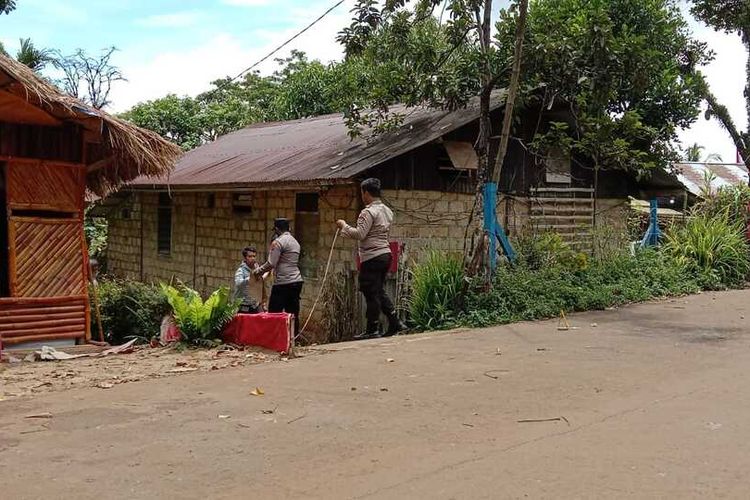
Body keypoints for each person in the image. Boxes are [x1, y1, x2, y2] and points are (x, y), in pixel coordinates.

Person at [337, 178, 407, 339]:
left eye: (362, 192)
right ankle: (395, 322)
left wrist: (344, 226)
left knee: (370, 291)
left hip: (372, 256)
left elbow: (360, 234)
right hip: (385, 254)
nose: (362, 196)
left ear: (366, 193)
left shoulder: (368, 212)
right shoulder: (387, 211)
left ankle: (372, 329)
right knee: (379, 290)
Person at [255, 218, 303, 338]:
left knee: (274, 312)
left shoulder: (278, 242)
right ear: (289, 228)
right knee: (292, 313)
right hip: (297, 281)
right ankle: (293, 339)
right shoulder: (295, 242)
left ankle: (273, 339)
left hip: (283, 282)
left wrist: (257, 272)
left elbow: (271, 263)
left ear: (276, 229)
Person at [233, 246, 266, 314]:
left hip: (255, 305)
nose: (252, 258)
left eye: (254, 256)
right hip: (244, 306)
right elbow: (238, 283)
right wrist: (250, 278)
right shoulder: (241, 270)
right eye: (250, 256)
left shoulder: (257, 269)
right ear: (245, 258)